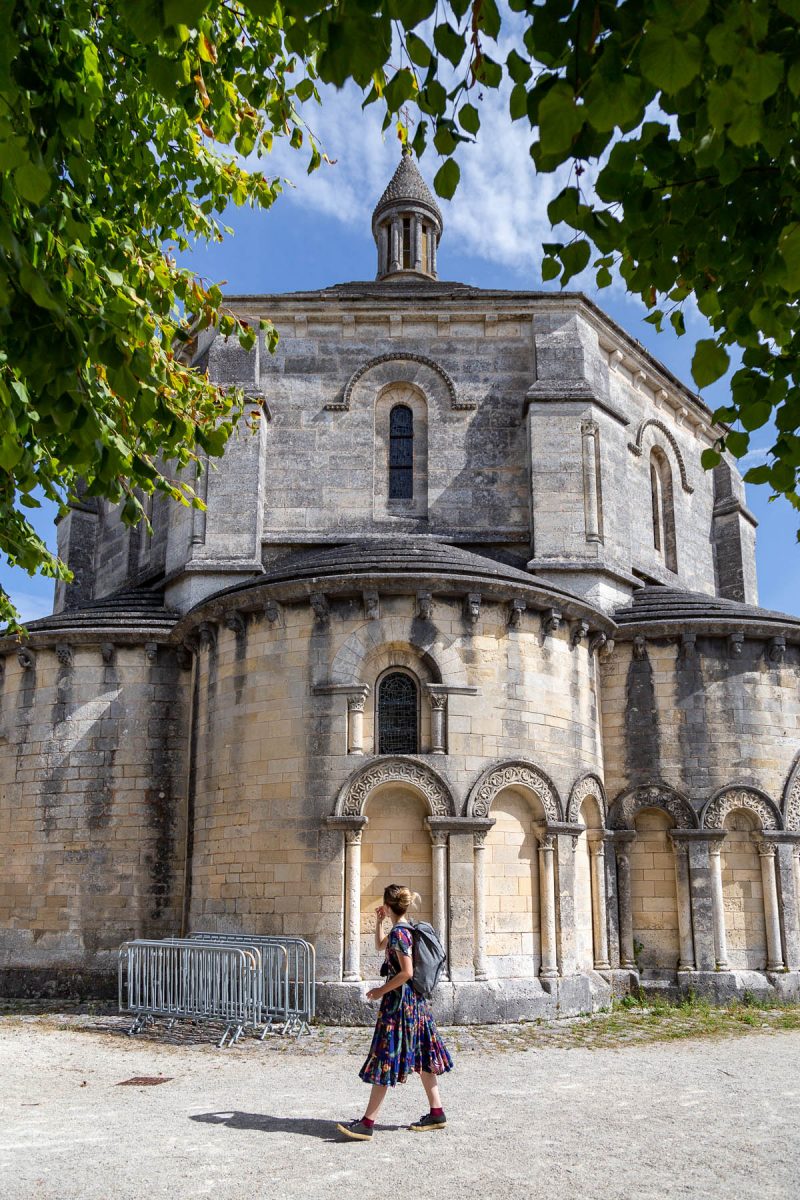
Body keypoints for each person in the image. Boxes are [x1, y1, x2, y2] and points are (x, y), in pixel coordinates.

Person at [337, 882, 453, 1142]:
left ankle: (367, 1123)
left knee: (385, 1055)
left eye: (384, 907)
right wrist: (379, 922)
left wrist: (380, 990)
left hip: (400, 1005)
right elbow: (380, 945)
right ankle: (437, 1112)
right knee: (423, 1053)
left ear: (389, 906)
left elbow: (407, 972)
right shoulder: (402, 929)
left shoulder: (401, 935)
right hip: (416, 1004)